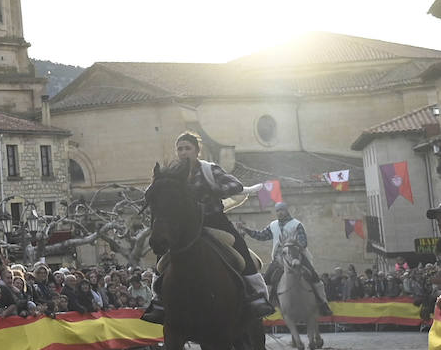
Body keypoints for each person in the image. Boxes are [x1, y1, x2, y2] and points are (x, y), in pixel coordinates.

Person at [141, 131, 275, 323]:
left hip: (214, 221)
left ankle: (258, 297)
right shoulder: (172, 174)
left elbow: (235, 185)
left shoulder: (209, 169)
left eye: (188, 148)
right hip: (183, 227)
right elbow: (155, 192)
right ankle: (159, 301)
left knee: (241, 250)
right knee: (162, 257)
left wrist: (213, 190)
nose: (183, 152)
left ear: (197, 151)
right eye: (180, 149)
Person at [238, 201, 332, 316]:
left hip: (297, 257)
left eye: (281, 210)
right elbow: (261, 236)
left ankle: (323, 303)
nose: (280, 213)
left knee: (314, 277)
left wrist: (293, 247)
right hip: (278, 259)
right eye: (277, 211)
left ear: (287, 210)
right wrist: (246, 229)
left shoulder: (296, 224)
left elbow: (303, 242)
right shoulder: (273, 225)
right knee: (266, 279)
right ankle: (267, 305)